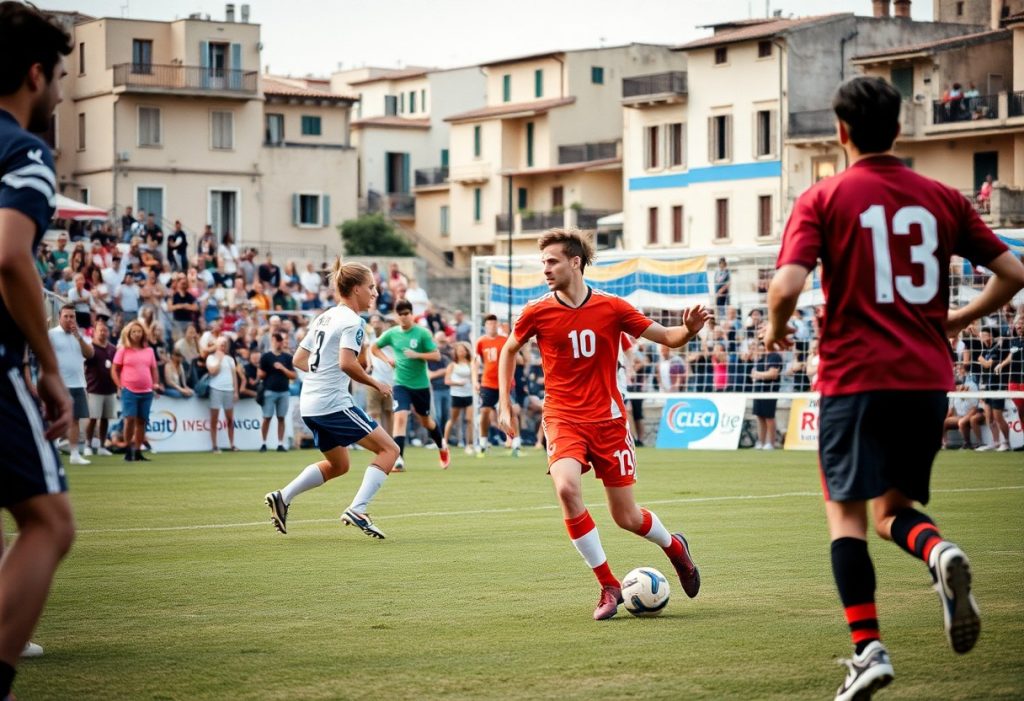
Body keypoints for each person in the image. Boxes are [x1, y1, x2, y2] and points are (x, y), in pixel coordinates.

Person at [764, 76, 1024, 701]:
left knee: (847, 516)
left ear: (841, 132)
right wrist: (957, 319)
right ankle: (938, 554)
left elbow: (786, 286)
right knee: (892, 513)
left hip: (855, 379)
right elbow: (1013, 272)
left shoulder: (824, 196)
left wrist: (776, 329)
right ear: (900, 130)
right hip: (926, 379)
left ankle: (869, 651)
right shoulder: (941, 197)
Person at [495, 229, 709, 621]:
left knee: (626, 518)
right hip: (561, 417)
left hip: (609, 422)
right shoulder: (537, 311)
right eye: (542, 262)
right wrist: (503, 402)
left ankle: (675, 547)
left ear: (575, 262)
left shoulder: (613, 307)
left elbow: (668, 337)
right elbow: (509, 349)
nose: (545, 269)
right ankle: (608, 584)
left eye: (552, 261)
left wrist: (690, 331)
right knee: (566, 487)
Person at [0, 8, 75, 696]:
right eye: (58, 78)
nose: (60, 93)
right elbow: (9, 255)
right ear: (33, 75)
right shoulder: (24, 150)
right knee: (50, 522)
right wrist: (48, 367)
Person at [264, 262, 399, 538]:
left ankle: (283, 496)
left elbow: (299, 360)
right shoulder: (353, 321)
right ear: (356, 288)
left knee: (340, 465)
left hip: (311, 404)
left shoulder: (325, 317)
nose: (375, 293)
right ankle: (358, 509)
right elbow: (347, 364)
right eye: (371, 287)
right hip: (332, 403)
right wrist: (376, 382)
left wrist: (320, 376)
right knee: (390, 451)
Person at [372, 300, 450, 470]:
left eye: (407, 313)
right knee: (400, 417)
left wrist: (417, 355)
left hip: (421, 385)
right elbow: (374, 347)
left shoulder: (422, 333)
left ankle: (442, 446)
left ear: (412, 314)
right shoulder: (392, 334)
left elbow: (437, 356)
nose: (404, 317)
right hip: (400, 383)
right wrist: (387, 360)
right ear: (396, 316)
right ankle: (398, 459)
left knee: (425, 421)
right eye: (400, 314)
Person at [48, 304, 94, 465]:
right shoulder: (51, 334)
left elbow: (90, 354)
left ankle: (74, 454)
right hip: (59, 384)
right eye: (66, 316)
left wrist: (78, 337)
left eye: (72, 316)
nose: (69, 319)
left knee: (75, 420)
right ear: (60, 317)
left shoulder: (80, 335)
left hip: (79, 383)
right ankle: (52, 452)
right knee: (56, 419)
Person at [112, 320, 160, 462]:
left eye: (139, 331)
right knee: (129, 419)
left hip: (147, 391)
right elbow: (114, 370)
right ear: (129, 333)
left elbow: (154, 369)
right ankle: (128, 449)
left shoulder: (149, 351)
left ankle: (138, 451)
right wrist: (120, 385)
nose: (137, 334)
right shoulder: (123, 350)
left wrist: (155, 384)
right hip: (129, 390)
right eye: (134, 331)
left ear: (143, 333)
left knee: (142, 421)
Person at [473, 314, 507, 457]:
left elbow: (513, 357)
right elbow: (475, 362)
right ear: (485, 326)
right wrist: (475, 380)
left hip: (504, 381)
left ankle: (515, 442)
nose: (492, 326)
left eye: (494, 323)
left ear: (497, 324)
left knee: (512, 411)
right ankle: (482, 442)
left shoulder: (504, 340)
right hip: (488, 382)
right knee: (485, 411)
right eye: (489, 324)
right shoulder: (481, 342)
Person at [83, 319, 117, 456]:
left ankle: (102, 446)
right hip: (94, 388)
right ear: (94, 332)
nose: (103, 332)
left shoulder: (113, 349)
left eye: (105, 330)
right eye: (100, 330)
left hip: (110, 389)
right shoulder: (90, 348)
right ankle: (88, 445)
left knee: (105, 418)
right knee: (92, 418)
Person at [258, 332, 295, 452]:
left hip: (283, 391)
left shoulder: (287, 357)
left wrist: (282, 368)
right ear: (272, 341)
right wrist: (267, 371)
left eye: (280, 340)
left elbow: (293, 375)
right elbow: (260, 374)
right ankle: (263, 443)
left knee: (281, 418)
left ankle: (280, 443)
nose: (278, 342)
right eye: (276, 340)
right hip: (269, 390)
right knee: (267, 417)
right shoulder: (266, 357)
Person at [974, 326, 1009, 452]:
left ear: (990, 336)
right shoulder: (985, 350)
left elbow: (988, 365)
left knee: (998, 416)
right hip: (987, 386)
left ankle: (1006, 442)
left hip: (998, 385)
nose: (982, 337)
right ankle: (995, 442)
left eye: (984, 335)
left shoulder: (997, 348)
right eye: (981, 335)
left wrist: (980, 359)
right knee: (989, 417)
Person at [206, 336, 239, 453]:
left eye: (224, 344)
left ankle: (232, 444)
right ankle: (214, 445)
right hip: (216, 389)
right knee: (214, 419)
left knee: (230, 419)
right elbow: (213, 371)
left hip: (228, 390)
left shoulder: (230, 359)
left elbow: (234, 376)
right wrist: (219, 360)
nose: (223, 347)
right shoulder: (211, 358)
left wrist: (236, 391)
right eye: (221, 344)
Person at [750, 340, 783, 450]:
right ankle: (761, 442)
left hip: (769, 391)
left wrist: (758, 374)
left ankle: (771, 443)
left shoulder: (774, 356)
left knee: (769, 417)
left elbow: (773, 374)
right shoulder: (760, 359)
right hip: (758, 391)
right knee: (760, 416)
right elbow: (753, 374)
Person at [444, 341, 475, 453]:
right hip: (456, 394)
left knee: (469, 419)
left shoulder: (471, 364)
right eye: (459, 350)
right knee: (453, 419)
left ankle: (469, 444)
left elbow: (474, 376)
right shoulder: (452, 365)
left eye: (464, 350)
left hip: (469, 394)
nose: (462, 352)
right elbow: (447, 381)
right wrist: (458, 383)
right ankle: (445, 442)